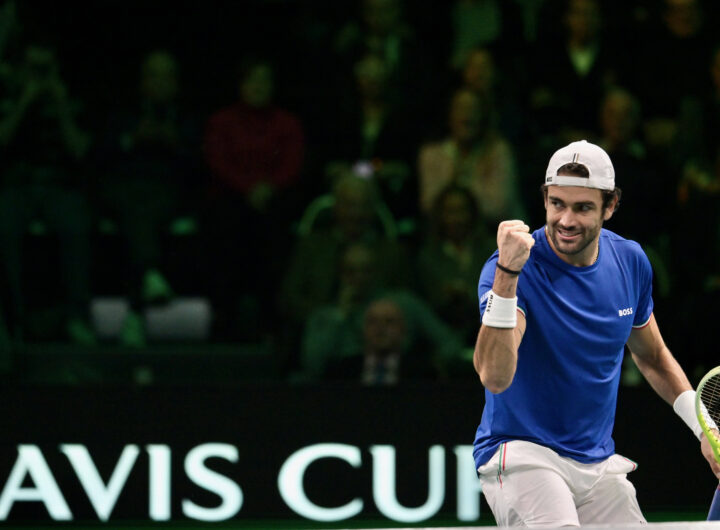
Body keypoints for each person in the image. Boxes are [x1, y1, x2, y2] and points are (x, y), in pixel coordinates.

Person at [472, 139, 720, 527]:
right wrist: (507, 275)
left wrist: (704, 428)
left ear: (611, 205)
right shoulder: (510, 268)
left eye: (583, 207)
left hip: (597, 464)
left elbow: (652, 356)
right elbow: (494, 376)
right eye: (557, 204)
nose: (566, 220)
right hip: (521, 453)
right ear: (544, 199)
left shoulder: (630, 262)